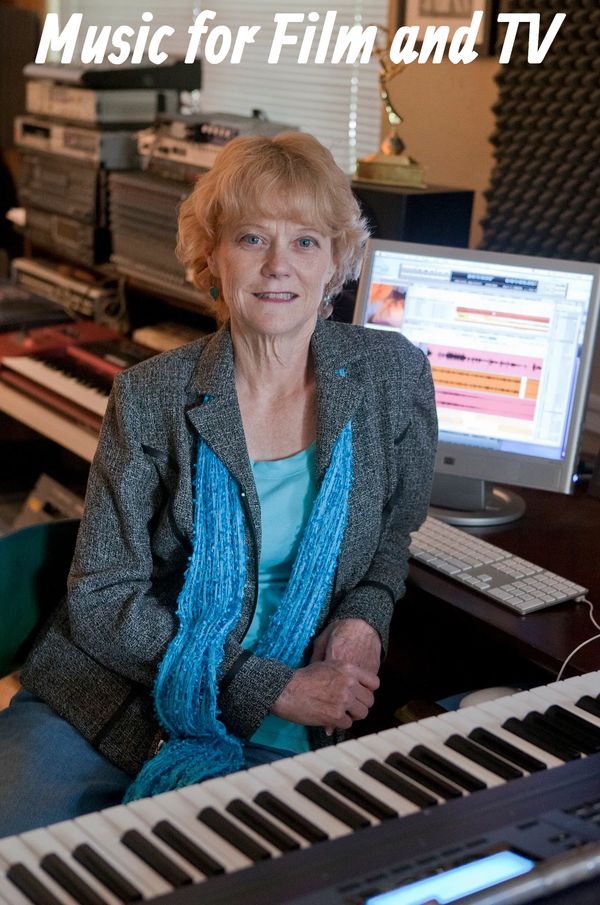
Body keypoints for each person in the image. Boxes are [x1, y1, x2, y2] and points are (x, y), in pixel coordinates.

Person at [0, 132, 437, 838]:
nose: (277, 266)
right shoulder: (149, 397)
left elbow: (391, 535)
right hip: (115, 695)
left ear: (335, 262)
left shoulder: (394, 378)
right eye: (251, 237)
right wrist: (275, 684)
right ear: (212, 257)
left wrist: (365, 616)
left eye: (304, 242)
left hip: (285, 728)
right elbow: (103, 597)